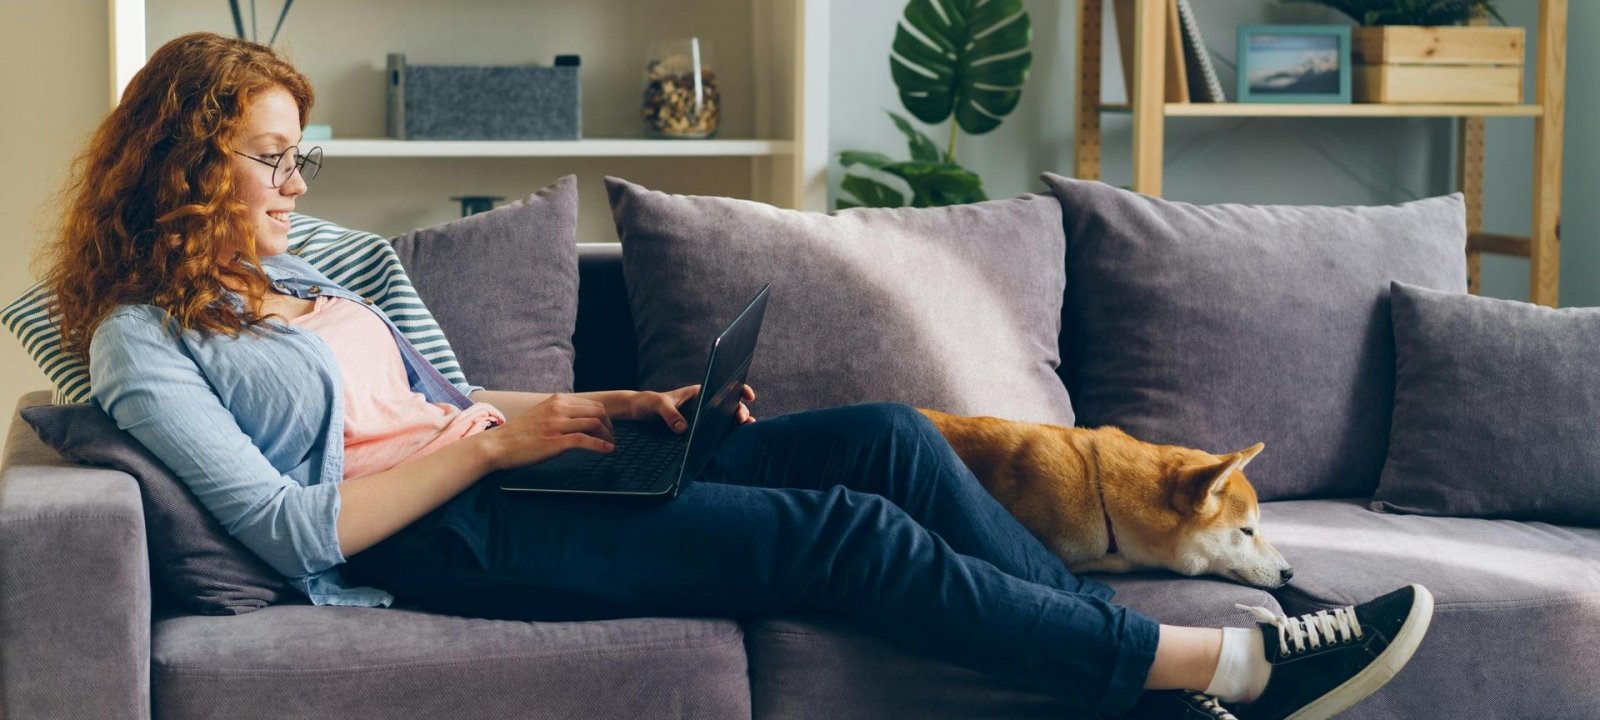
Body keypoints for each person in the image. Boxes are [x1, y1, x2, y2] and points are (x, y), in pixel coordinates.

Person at [37, 32, 1433, 720]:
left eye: (301, 157)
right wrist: (497, 450)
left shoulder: (306, 274)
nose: (293, 181)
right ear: (185, 161)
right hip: (445, 538)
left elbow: (440, 409)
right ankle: (1227, 670)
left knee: (888, 437)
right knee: (843, 534)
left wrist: (616, 415)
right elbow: (290, 529)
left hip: (495, 470)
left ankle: (1104, 667)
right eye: (268, 156)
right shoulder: (140, 341)